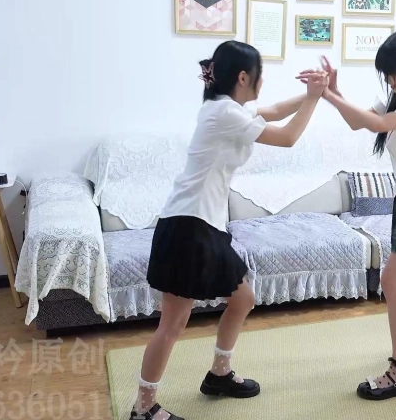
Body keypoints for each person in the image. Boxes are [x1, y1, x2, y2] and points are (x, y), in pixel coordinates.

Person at [132, 40, 328, 420]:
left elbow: (273, 110)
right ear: (242, 77)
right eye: (259, 75)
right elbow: (287, 137)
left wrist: (310, 94)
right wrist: (314, 98)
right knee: (173, 324)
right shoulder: (224, 113)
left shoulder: (228, 108)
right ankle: (143, 409)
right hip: (187, 226)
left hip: (204, 225)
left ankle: (219, 375)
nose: (261, 82)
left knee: (243, 298)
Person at [298, 30, 396, 401]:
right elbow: (359, 122)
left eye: (394, 73)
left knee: (391, 281)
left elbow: (378, 125)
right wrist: (334, 92)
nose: (390, 81)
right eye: (386, 74)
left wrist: (327, 95)